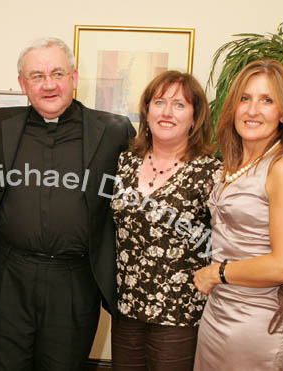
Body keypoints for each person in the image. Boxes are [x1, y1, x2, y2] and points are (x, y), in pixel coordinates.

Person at [0, 37, 135, 370]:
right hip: (9, 276)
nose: (48, 85)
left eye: (57, 74)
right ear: (22, 84)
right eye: (37, 76)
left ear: (73, 78)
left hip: (74, 280)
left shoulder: (115, 131)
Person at [193, 59, 283, 370]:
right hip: (218, 314)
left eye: (267, 100)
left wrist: (216, 273)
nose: (252, 110)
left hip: (257, 323)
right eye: (245, 98)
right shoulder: (229, 165)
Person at [110, 71, 221, 370]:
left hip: (181, 314)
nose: (167, 112)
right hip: (126, 307)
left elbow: (232, 232)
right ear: (146, 112)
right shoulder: (125, 161)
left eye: (180, 105)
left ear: (195, 118)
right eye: (159, 102)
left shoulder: (212, 172)